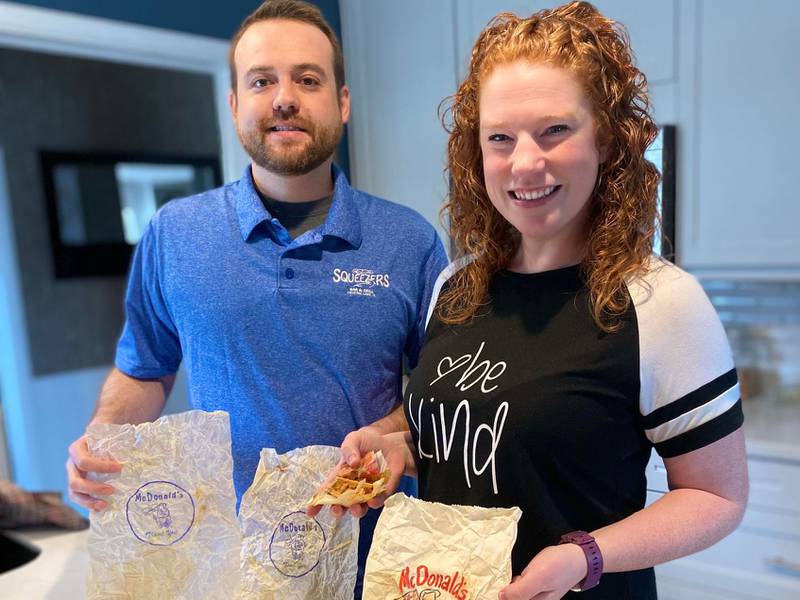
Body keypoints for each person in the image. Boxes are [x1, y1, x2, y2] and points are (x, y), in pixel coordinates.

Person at [313, 2, 748, 598]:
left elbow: (717, 496)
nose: (525, 162)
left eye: (555, 131)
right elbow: (479, 443)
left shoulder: (659, 303)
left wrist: (585, 556)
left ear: (606, 139)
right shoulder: (457, 288)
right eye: (500, 138)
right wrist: (396, 451)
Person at [64, 0, 447, 597]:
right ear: (236, 103)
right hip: (223, 568)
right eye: (262, 80)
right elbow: (144, 368)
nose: (285, 98)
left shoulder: (410, 242)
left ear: (342, 103)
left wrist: (390, 435)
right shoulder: (175, 234)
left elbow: (442, 398)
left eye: (308, 79)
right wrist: (103, 441)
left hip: (372, 566)